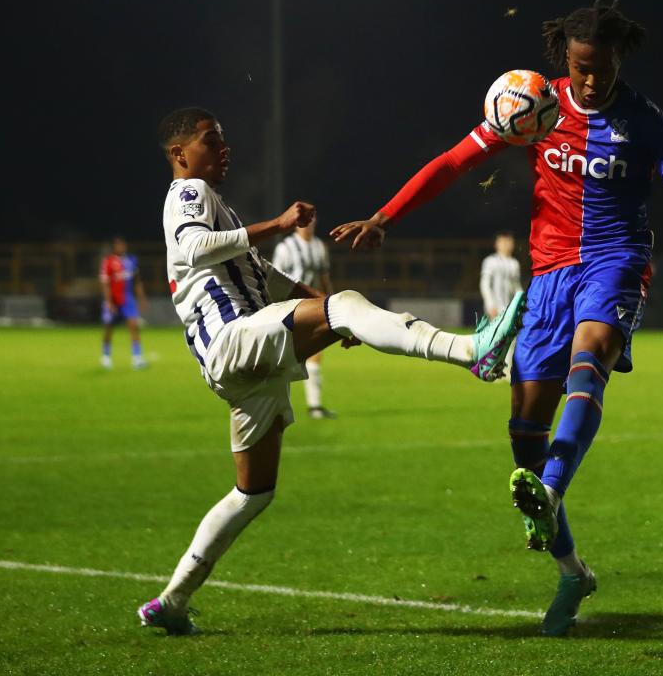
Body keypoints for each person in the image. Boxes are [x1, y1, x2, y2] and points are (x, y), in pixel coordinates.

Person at [332, 0, 663, 636]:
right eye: (581, 67)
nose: (591, 80)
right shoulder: (532, 105)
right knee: (524, 435)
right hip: (548, 278)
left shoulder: (645, 122)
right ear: (564, 59)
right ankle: (573, 571)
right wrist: (385, 216)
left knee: (594, 352)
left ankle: (551, 489)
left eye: (602, 68)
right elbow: (454, 162)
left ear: (616, 61)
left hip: (616, 260)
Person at [138, 107, 526, 635]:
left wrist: (319, 306)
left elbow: (263, 275)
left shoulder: (216, 205)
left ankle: (173, 600)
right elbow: (191, 247)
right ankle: (471, 352)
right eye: (211, 140)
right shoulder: (190, 194)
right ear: (181, 155)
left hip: (236, 360)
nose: (224, 147)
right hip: (233, 340)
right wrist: (279, 229)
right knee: (344, 305)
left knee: (253, 492)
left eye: (224, 138)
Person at [273, 215, 337, 418]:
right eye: (306, 221)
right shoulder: (285, 247)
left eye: (313, 221)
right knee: (282, 358)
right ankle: (276, 406)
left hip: (313, 307)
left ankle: (315, 406)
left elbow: (324, 278)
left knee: (315, 353)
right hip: (287, 307)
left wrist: (333, 303)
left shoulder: (319, 247)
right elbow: (274, 278)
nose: (310, 225)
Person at [99, 236, 147, 369]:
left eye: (123, 244)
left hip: (128, 299)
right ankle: (106, 356)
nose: (122, 247)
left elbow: (137, 281)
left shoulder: (131, 261)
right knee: (109, 327)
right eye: (119, 245)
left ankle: (137, 358)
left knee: (134, 326)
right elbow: (105, 283)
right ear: (114, 247)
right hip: (113, 299)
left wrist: (142, 298)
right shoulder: (108, 262)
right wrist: (108, 301)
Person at [480, 231, 522, 319]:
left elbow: (516, 286)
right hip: (494, 310)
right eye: (503, 241)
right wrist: (490, 305)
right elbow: (485, 285)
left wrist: (520, 302)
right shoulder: (490, 261)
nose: (506, 244)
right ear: (496, 244)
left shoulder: (515, 264)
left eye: (509, 241)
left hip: (510, 309)